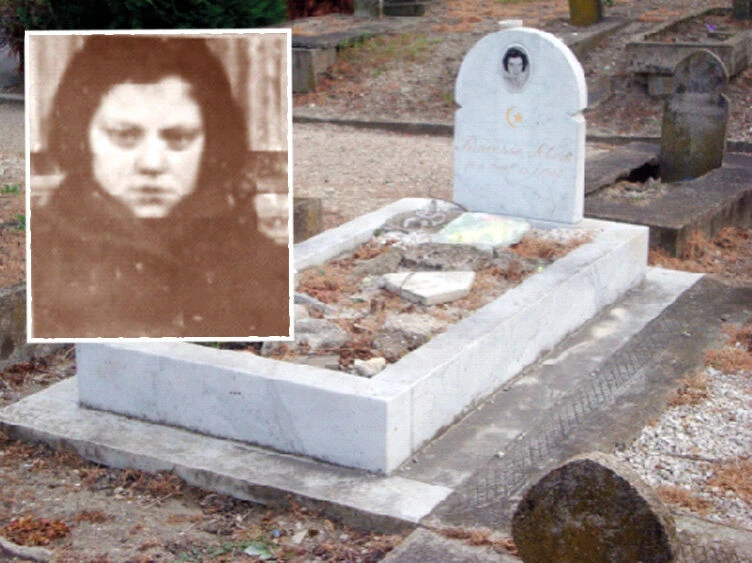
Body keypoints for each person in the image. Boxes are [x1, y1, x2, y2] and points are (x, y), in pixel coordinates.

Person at [31, 35, 290, 338]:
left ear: (211, 143)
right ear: (81, 135)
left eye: (179, 138)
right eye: (124, 135)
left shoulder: (264, 266)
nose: (152, 164)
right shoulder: (38, 259)